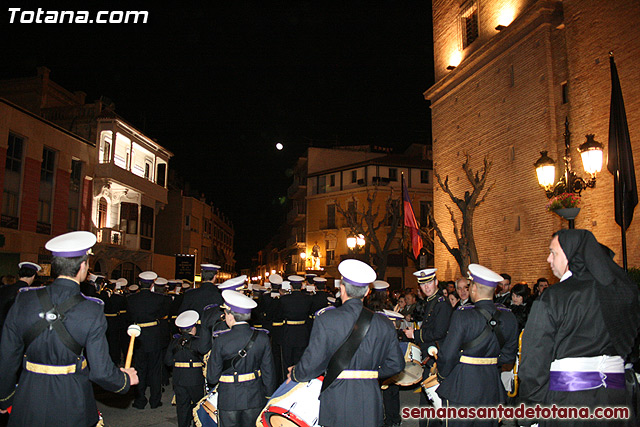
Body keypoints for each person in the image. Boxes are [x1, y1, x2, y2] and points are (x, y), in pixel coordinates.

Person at [0, 231, 138, 426]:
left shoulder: (24, 299)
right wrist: (123, 379)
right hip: (71, 399)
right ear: (83, 266)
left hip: (29, 396)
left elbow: (7, 355)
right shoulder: (92, 308)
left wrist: (5, 397)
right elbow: (100, 372)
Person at [519, 229, 640, 427]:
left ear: (571, 255)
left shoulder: (554, 296)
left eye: (554, 253)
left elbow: (534, 361)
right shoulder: (623, 291)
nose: (549, 259)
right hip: (616, 399)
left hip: (570, 402)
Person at [289, 259, 405, 427]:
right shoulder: (384, 323)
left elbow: (312, 362)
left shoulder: (327, 319)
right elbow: (396, 364)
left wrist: (295, 373)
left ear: (341, 289)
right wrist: (370, 374)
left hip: (337, 396)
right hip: (370, 398)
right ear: (366, 293)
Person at [436, 264, 519, 427]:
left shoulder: (463, 316)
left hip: (463, 386)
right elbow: (509, 356)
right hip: (492, 386)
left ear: (473, 289)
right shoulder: (510, 318)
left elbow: (448, 355)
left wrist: (443, 375)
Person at [207, 290, 276, 426]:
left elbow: (212, 377)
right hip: (254, 396)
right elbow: (269, 371)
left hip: (229, 397)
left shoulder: (221, 340)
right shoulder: (262, 338)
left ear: (231, 316)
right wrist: (268, 395)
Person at [403, 268, 453, 427]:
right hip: (429, 354)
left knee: (434, 397)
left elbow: (439, 332)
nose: (427, 287)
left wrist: (416, 335)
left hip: (436, 356)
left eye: (430, 283)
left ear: (436, 282)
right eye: (423, 284)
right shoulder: (431, 301)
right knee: (427, 398)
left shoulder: (441, 303)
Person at [126, 270, 171, 409]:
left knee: (139, 369)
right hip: (154, 336)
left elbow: (128, 316)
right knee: (155, 370)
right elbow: (164, 313)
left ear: (139, 283)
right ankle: (155, 400)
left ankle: (140, 400)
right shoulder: (160, 299)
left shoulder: (130, 299)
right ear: (152, 283)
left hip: (137, 336)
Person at [165, 310, 205, 427]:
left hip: (179, 378)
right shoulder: (197, 342)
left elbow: (167, 361)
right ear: (193, 328)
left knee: (182, 407)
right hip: (195, 378)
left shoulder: (174, 342)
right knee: (199, 406)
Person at [279, 275, 313, 368]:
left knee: (287, 359)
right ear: (302, 286)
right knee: (300, 358)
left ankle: (286, 380)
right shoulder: (308, 298)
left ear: (291, 287)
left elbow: (280, 314)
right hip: (302, 331)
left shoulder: (284, 299)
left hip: (288, 331)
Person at [0, 262, 41, 339]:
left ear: (19, 275)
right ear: (33, 276)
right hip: (15, 333)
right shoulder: (30, 292)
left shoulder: (3, 289)